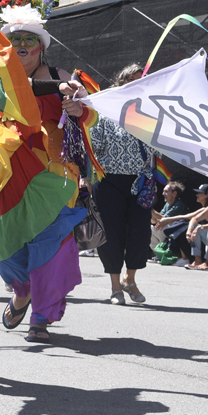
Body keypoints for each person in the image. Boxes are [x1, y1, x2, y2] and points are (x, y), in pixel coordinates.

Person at [0, 0, 91, 343]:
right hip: (7, 176)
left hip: (52, 175)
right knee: (3, 246)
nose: (21, 46)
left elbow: (90, 115)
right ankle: (22, 290)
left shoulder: (62, 77)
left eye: (28, 39)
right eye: (14, 40)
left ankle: (42, 317)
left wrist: (78, 109)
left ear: (41, 46)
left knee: (51, 243)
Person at [90, 63, 160, 304]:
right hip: (108, 181)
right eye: (132, 78)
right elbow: (94, 144)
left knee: (140, 234)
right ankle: (114, 286)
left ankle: (129, 279)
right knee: (111, 234)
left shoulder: (150, 112)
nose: (138, 82)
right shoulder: (104, 110)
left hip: (139, 183)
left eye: (142, 79)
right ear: (121, 81)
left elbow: (156, 148)